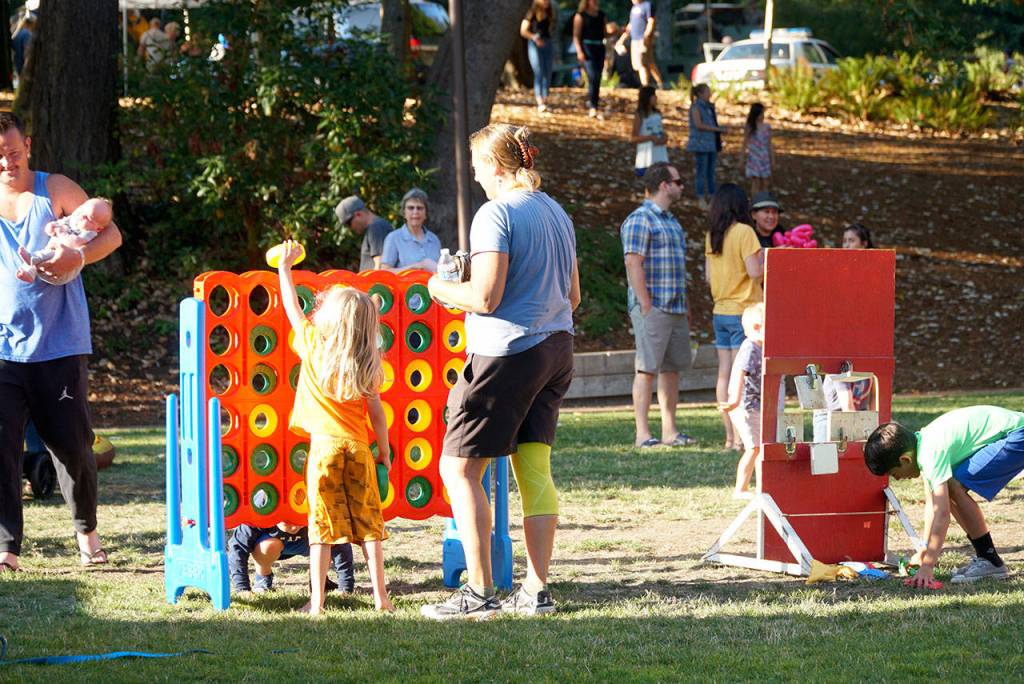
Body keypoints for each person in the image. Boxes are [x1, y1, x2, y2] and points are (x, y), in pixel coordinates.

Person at [423, 124, 580, 620]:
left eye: (475, 167)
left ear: (495, 166)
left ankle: (479, 592)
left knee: (460, 468)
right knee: (533, 470)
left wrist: (440, 287)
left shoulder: (496, 213)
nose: (474, 176)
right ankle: (536, 592)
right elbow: (574, 297)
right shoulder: (556, 211)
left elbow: (486, 298)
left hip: (507, 354)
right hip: (558, 349)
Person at [0, 112, 123, 573]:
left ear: (27, 145)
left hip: (58, 342)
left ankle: (86, 533)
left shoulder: (55, 189)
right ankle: (7, 546)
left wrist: (78, 255)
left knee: (72, 447)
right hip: (3, 347)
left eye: (13, 153)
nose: (7, 163)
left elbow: (110, 232)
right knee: (2, 447)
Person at [275, 240, 394, 614]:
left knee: (321, 527)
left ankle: (317, 604)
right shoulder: (367, 361)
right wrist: (385, 451)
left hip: (325, 448)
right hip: (358, 448)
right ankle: (381, 598)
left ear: (329, 318)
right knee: (370, 525)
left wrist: (284, 267)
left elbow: (293, 309)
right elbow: (376, 414)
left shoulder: (312, 344)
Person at [865, 405, 1024, 586]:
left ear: (905, 460)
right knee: (951, 486)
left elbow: (942, 514)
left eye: (895, 474)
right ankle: (988, 558)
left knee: (954, 486)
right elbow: (932, 505)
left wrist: (928, 566)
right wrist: (925, 550)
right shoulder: (924, 444)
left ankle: (990, 560)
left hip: (1018, 435)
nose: (899, 479)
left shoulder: (930, 455)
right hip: (1015, 431)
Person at [620, 162, 697, 449]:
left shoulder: (671, 221)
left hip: (675, 307)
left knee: (671, 369)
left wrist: (686, 303)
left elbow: (677, 267)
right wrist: (646, 304)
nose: (682, 186)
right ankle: (642, 434)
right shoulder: (641, 219)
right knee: (646, 369)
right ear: (664, 185)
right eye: (678, 181)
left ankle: (670, 431)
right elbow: (633, 262)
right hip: (654, 308)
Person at [704, 184, 763, 452]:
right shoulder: (745, 232)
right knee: (744, 375)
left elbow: (707, 276)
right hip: (745, 312)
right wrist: (772, 257)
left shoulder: (713, 234)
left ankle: (730, 437)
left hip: (720, 311)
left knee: (725, 373)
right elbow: (754, 272)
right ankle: (742, 436)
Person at [228, 522, 355, 594]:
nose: (294, 528)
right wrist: (242, 588)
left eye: (297, 522)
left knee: (325, 543)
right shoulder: (262, 513)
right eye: (288, 523)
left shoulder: (315, 511)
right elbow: (237, 547)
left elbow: (340, 544)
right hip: (271, 545)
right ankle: (263, 577)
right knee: (268, 546)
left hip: (308, 544)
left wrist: (345, 587)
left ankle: (320, 581)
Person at [718, 303, 765, 497]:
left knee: (761, 448)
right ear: (756, 327)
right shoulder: (750, 348)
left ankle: (764, 487)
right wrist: (735, 400)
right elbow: (738, 373)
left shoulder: (760, 347)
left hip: (754, 405)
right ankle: (741, 488)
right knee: (753, 447)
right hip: (745, 406)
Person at [16, 198, 112, 283]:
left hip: (62, 270)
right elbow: (53, 228)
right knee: (43, 254)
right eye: (82, 210)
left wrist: (62, 233)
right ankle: (29, 273)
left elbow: (73, 243)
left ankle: (32, 258)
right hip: (49, 259)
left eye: (88, 218)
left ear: (98, 228)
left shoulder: (89, 233)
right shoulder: (72, 220)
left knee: (50, 254)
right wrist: (52, 227)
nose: (81, 216)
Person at [379, 188, 442, 273]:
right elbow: (384, 272)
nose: (415, 212)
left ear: (426, 214)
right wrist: (415, 267)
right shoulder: (393, 238)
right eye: (411, 208)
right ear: (404, 213)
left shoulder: (434, 240)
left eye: (419, 208)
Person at [685, 83, 725, 209]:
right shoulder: (696, 107)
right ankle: (701, 197)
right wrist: (717, 129)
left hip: (711, 144)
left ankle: (713, 197)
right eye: (707, 92)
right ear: (701, 94)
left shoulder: (709, 107)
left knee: (711, 172)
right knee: (701, 171)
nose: (710, 94)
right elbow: (698, 124)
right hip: (700, 144)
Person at [335, 195, 394, 272]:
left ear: (358, 214)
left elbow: (381, 267)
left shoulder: (376, 228)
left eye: (348, 223)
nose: (350, 228)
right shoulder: (376, 227)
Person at [573, 0, 610, 119]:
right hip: (587, 48)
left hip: (600, 47)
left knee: (598, 77)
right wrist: (579, 51)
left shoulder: (601, 15)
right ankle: (592, 106)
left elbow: (605, 33)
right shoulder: (580, 16)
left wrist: (616, 30)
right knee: (592, 76)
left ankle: (595, 104)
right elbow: (576, 35)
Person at [521, 0, 557, 114]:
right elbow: (523, 31)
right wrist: (534, 38)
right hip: (535, 44)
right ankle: (540, 101)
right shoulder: (531, 13)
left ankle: (545, 100)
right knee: (539, 72)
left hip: (548, 43)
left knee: (548, 72)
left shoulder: (550, 11)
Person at [617, 0, 662, 88]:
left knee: (642, 63)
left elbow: (651, 21)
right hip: (634, 40)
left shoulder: (647, 5)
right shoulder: (634, 8)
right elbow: (630, 25)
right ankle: (659, 83)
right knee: (648, 63)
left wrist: (646, 36)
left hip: (643, 39)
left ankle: (645, 86)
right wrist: (621, 39)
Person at [630, 86, 668, 177]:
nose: (656, 98)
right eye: (653, 95)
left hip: (659, 152)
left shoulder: (657, 113)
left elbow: (660, 129)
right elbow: (633, 138)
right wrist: (650, 138)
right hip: (647, 154)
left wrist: (664, 137)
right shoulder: (640, 114)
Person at [741, 103, 775, 195]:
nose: (762, 116)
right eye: (761, 114)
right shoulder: (749, 127)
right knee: (755, 182)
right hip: (754, 158)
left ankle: (763, 202)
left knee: (764, 182)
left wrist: (772, 159)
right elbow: (744, 144)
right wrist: (742, 159)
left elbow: (769, 144)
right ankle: (755, 203)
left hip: (764, 158)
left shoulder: (767, 127)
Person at [12, 13, 35, 78]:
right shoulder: (27, 34)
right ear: (31, 23)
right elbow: (27, 53)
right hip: (25, 69)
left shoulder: (17, 34)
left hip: (18, 68)